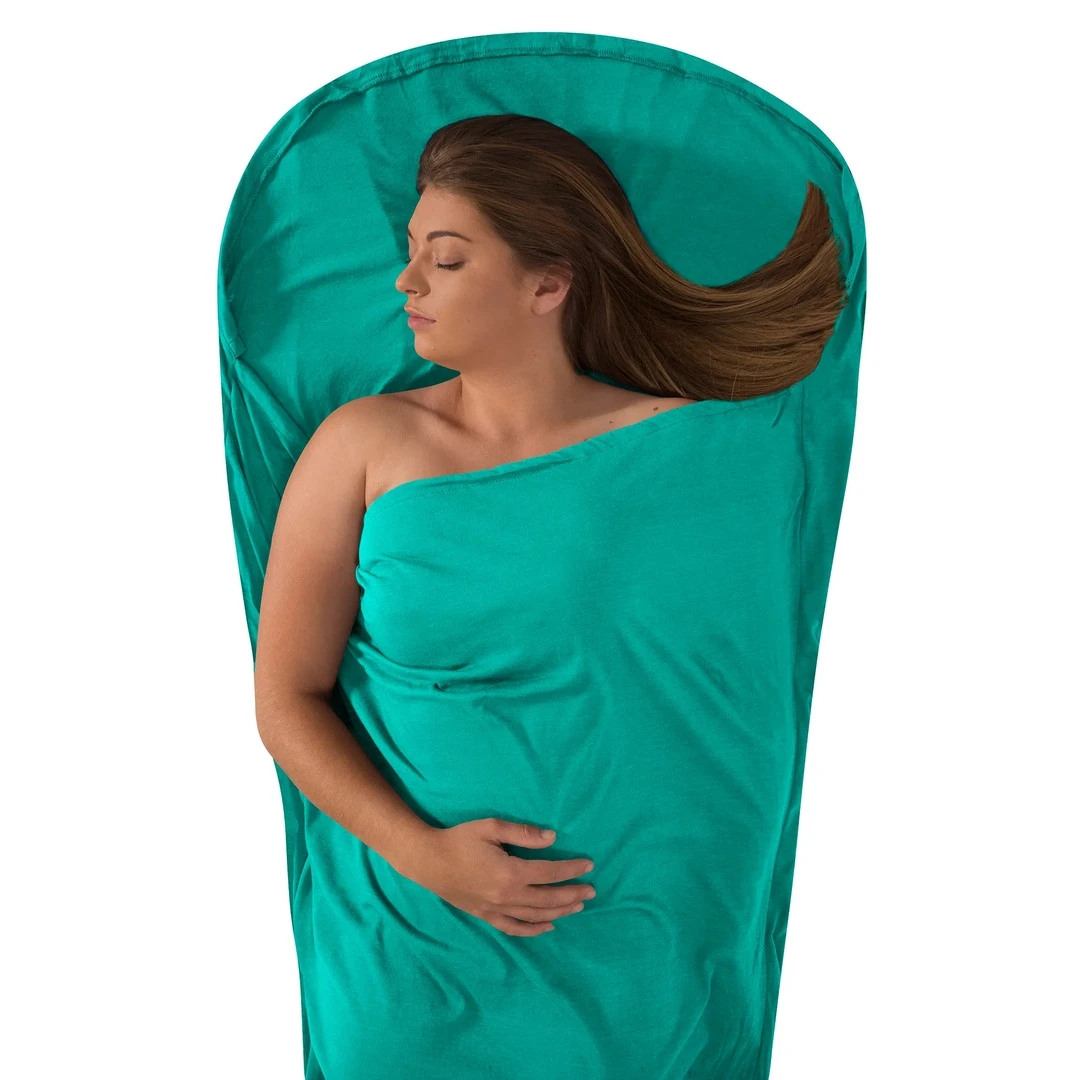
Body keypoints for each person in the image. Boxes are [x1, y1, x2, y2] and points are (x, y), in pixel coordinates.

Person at [252, 113, 847, 1075]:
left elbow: (744, 702)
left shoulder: (702, 450)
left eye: (446, 258)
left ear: (548, 283)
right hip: (413, 942)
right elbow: (286, 698)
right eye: (411, 251)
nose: (406, 282)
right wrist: (425, 855)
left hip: (639, 956)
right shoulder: (364, 445)